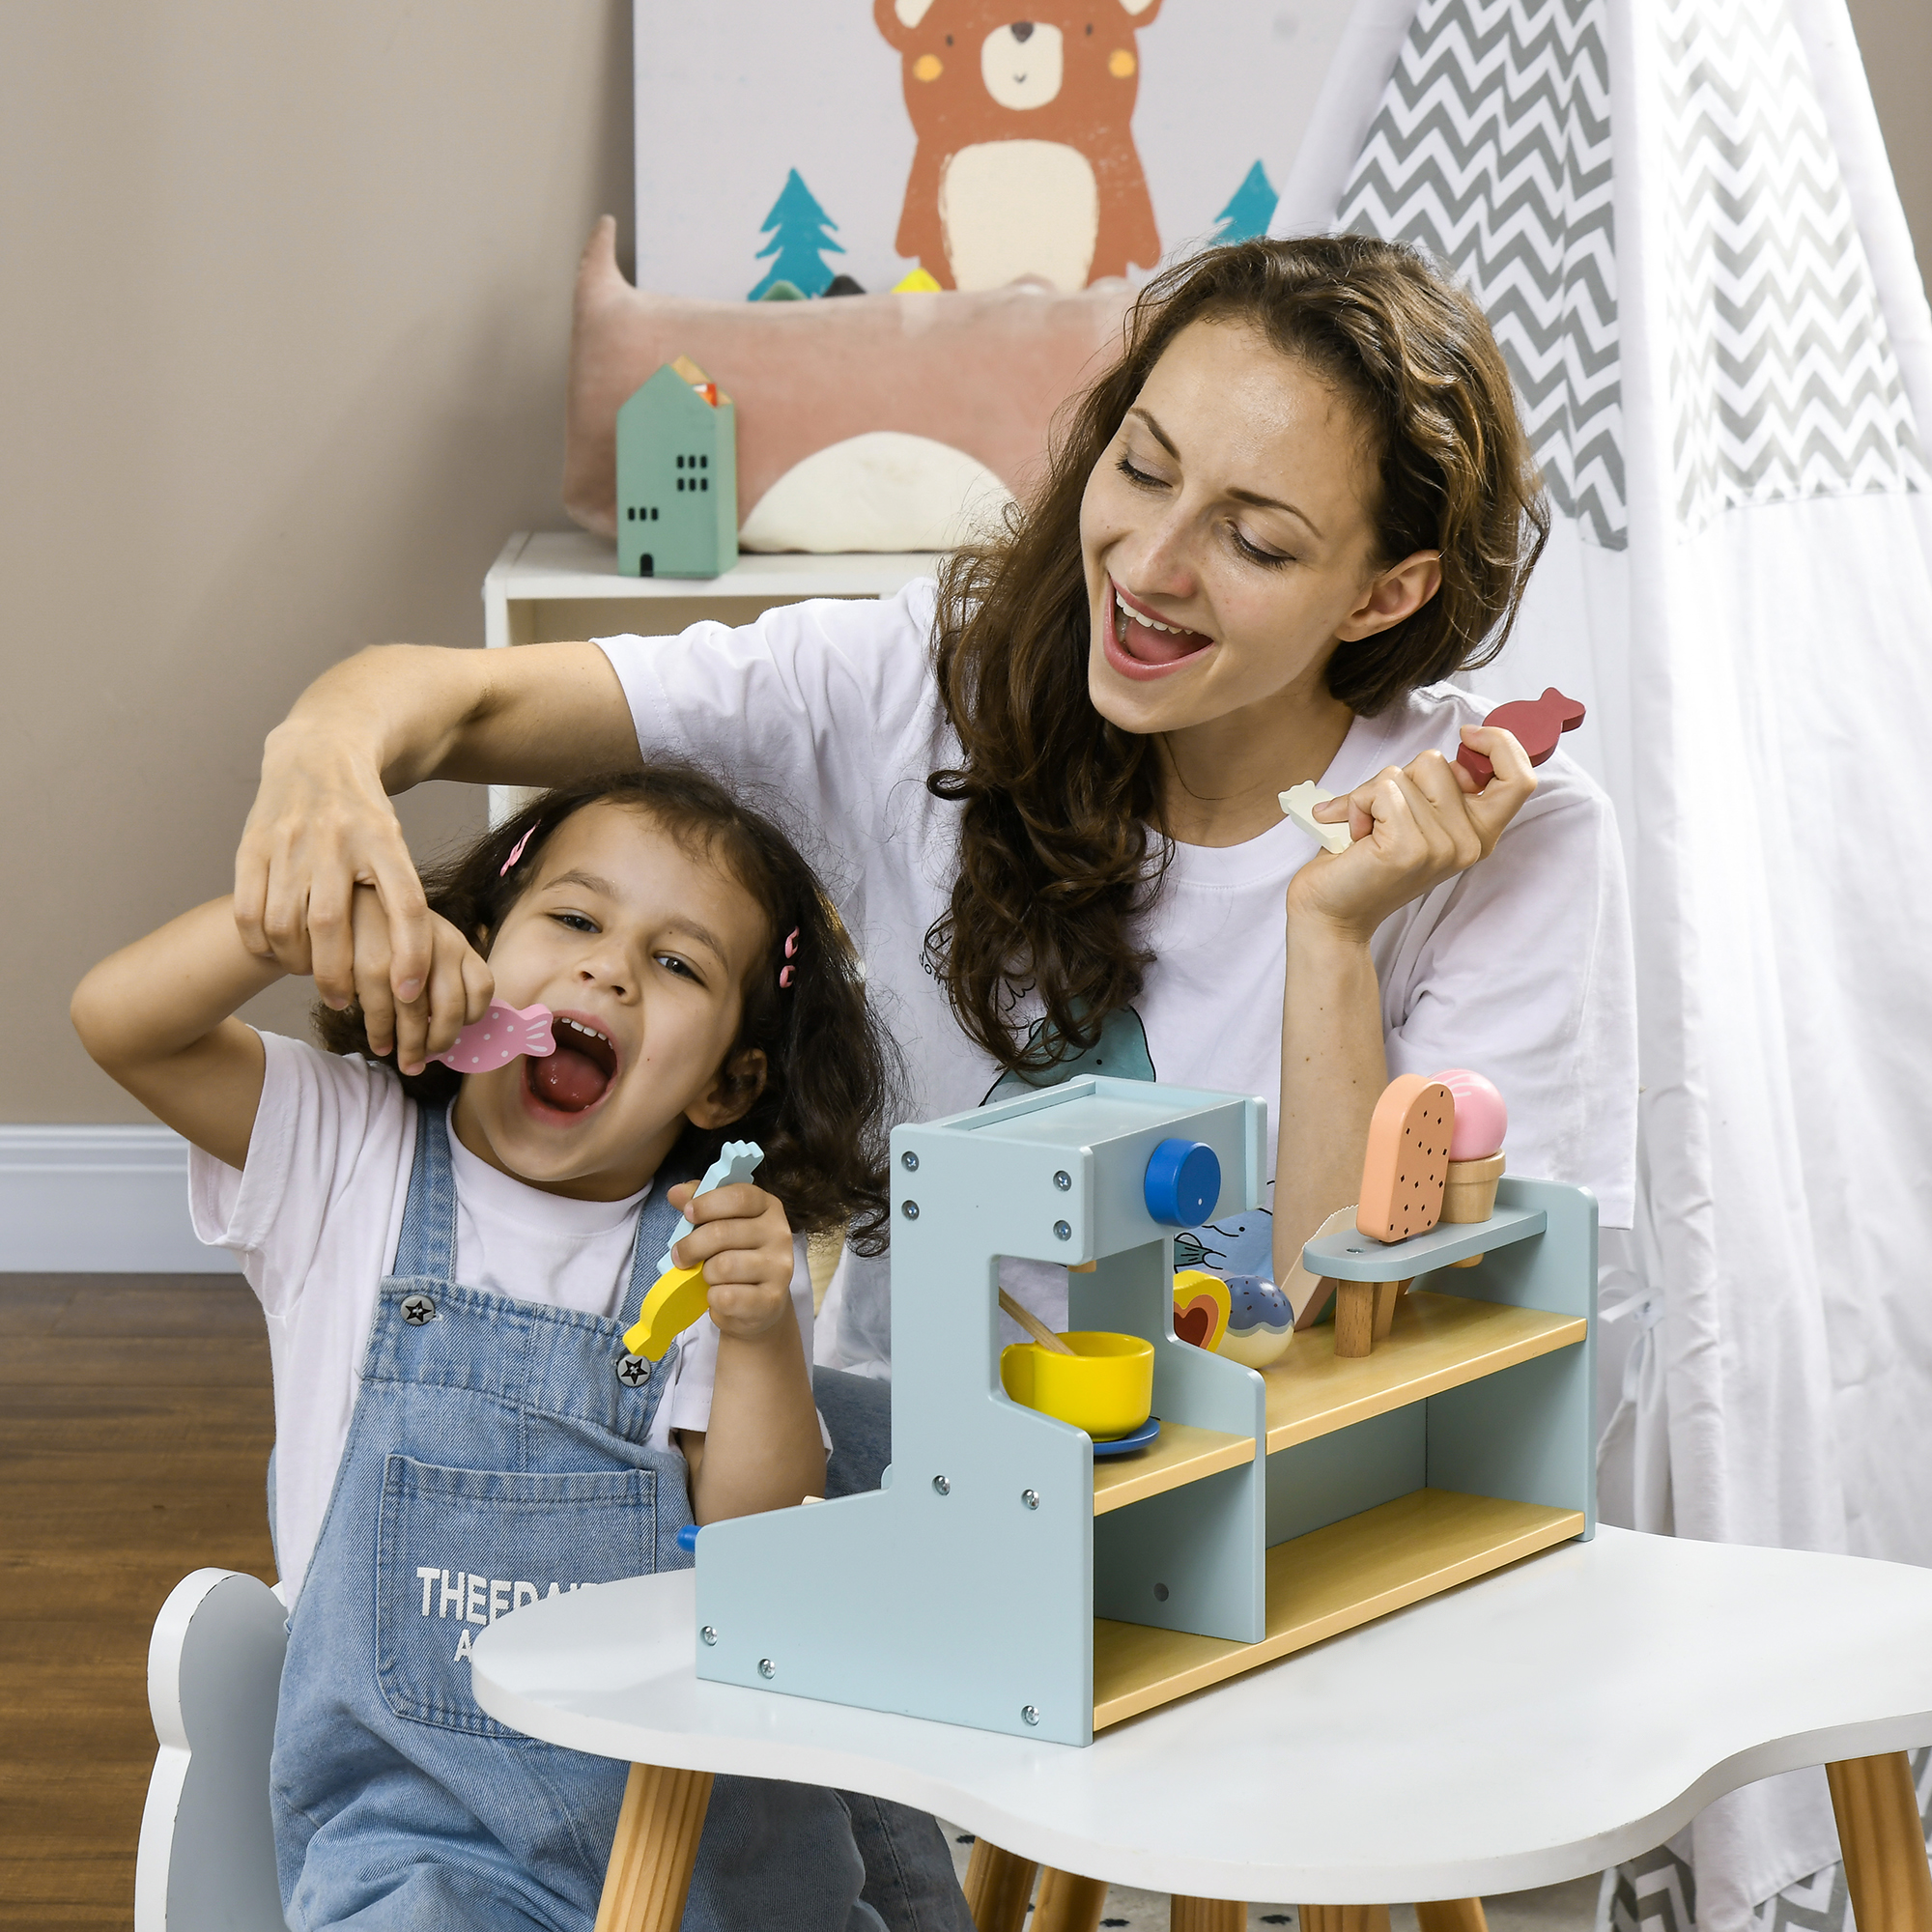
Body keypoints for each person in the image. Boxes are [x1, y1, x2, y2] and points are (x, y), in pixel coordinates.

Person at [231, 232, 1635, 1382]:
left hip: (1274, 1523)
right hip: (906, 1482)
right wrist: (325, 747)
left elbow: (1365, 1362)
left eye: (1256, 539)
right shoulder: (920, 683)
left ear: (1386, 592)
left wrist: (1327, 941)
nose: (1148, 562)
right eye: (1139, 468)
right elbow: (452, 701)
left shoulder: (1510, 841)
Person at [71, 767, 958, 1931]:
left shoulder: (715, 1238)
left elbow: (758, 1537)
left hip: (695, 1829)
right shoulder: (345, 1151)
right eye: (575, 919)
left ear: (725, 1082)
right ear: (472, 947)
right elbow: (123, 1022)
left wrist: (758, 1339)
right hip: (427, 1843)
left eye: (677, 962)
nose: (608, 967)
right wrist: (303, 922)